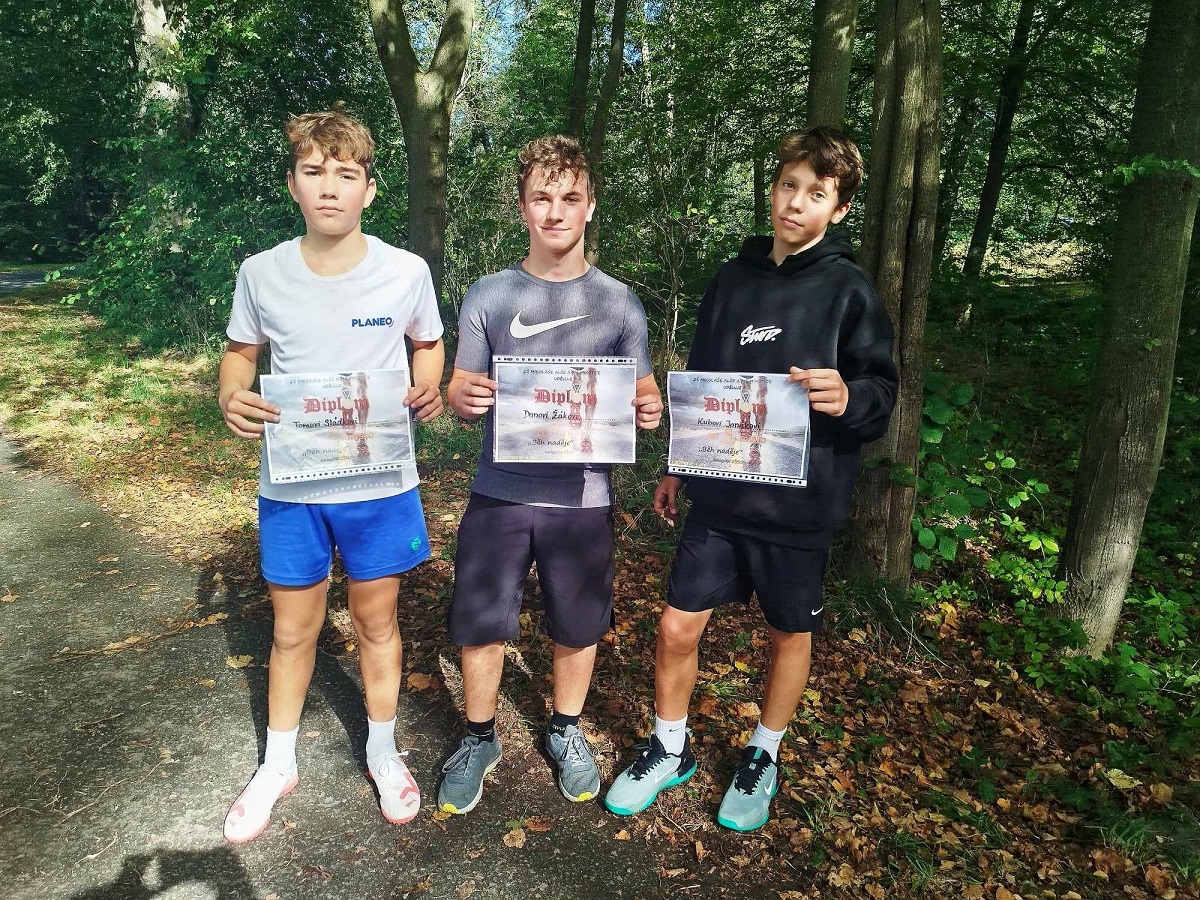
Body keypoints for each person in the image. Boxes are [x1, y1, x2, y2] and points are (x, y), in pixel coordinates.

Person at [605, 126, 898, 831]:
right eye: (788, 185)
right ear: (772, 189)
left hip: (801, 504)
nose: (796, 202)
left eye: (816, 193)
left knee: (788, 633)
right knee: (677, 625)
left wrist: (848, 396)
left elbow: (882, 392)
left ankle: (764, 753)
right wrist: (678, 465)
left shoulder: (849, 289)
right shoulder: (732, 280)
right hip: (720, 493)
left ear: (839, 208)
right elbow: (702, 380)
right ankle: (670, 746)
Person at [217, 105, 445, 842]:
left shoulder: (406, 271)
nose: (329, 187)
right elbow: (239, 355)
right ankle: (277, 763)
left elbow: (429, 345)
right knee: (293, 632)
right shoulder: (261, 273)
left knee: (378, 623)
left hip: (380, 484)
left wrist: (428, 384)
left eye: (345, 174)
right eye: (313, 172)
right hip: (293, 486)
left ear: (368, 190)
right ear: (292, 183)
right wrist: (230, 395)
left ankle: (382, 749)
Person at [440, 135, 662, 814]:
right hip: (499, 489)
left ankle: (565, 729)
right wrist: (463, 397)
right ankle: (479, 737)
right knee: (481, 618)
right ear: (522, 206)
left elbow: (642, 390)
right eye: (542, 197)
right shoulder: (489, 294)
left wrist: (649, 406)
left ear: (591, 206)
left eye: (570, 197)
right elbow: (460, 388)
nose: (556, 211)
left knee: (577, 620)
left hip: (582, 496)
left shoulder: (620, 303)